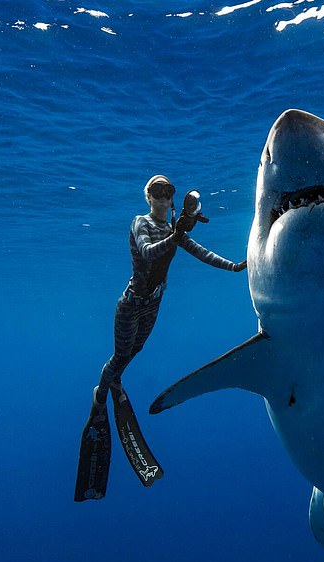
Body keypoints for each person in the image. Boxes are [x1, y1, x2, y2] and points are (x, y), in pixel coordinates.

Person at [74, 175, 245, 501]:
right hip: (131, 305)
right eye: (157, 191)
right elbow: (148, 252)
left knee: (132, 354)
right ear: (148, 197)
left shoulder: (174, 231)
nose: (163, 198)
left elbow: (201, 252)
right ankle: (100, 397)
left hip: (154, 305)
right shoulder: (141, 223)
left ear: (172, 199)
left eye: (168, 192)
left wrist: (234, 267)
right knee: (120, 357)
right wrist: (178, 234)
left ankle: (115, 382)